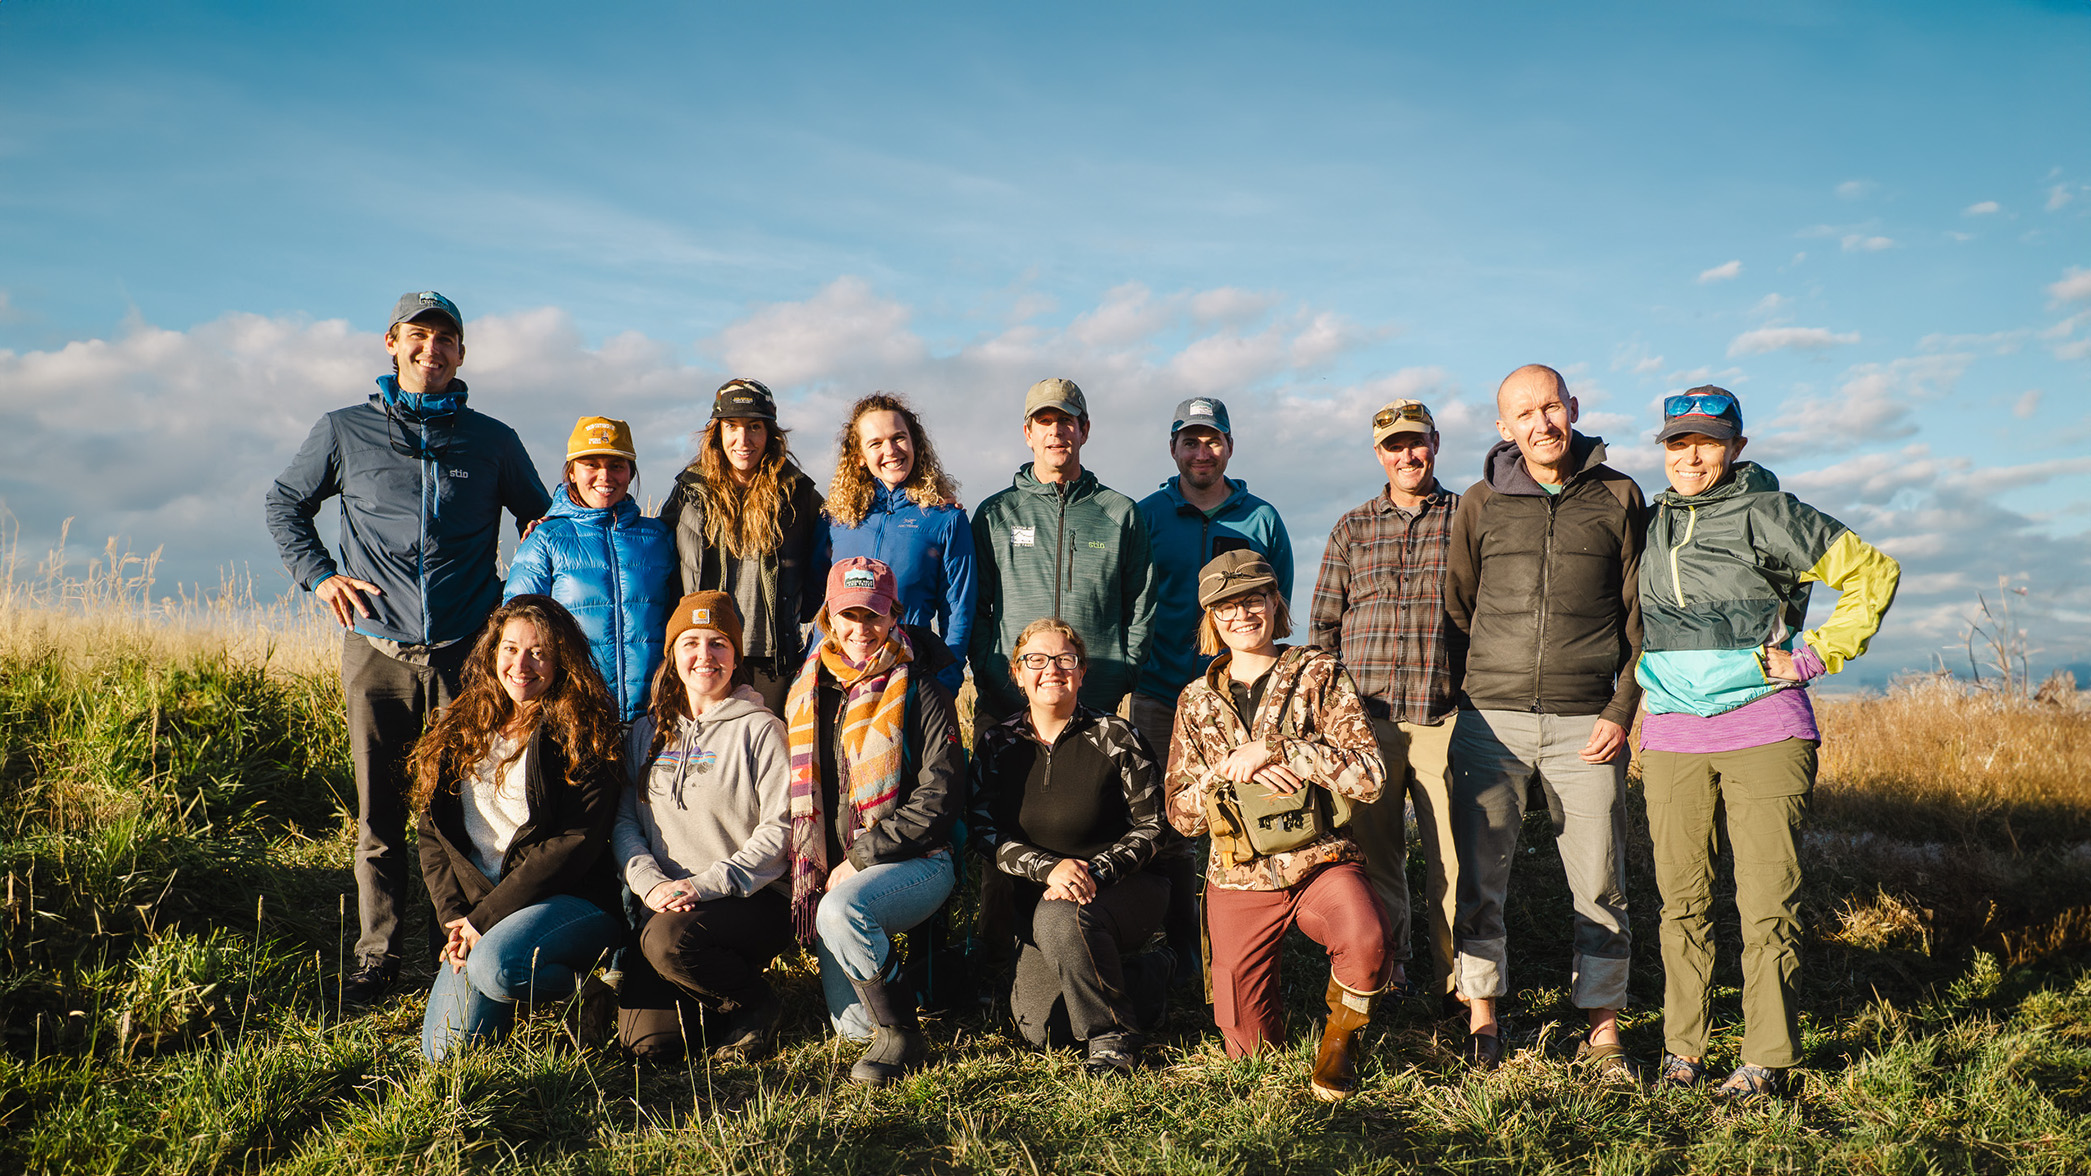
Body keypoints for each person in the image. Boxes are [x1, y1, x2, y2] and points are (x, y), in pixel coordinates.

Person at [265, 290, 550, 1005]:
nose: (432, 350)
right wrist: (321, 577)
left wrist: (514, 602)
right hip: (376, 650)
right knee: (380, 810)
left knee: (464, 807)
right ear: (391, 343)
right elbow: (284, 503)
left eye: (446, 338)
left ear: (462, 352)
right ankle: (378, 955)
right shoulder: (344, 431)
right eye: (418, 337)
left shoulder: (492, 440)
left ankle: (456, 944)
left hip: (468, 654)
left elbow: (540, 518)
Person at [1636, 388, 1899, 1100]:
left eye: (1707, 441)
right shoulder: (1649, 519)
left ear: (1736, 448)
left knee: (1764, 905)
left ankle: (1765, 1058)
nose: (1690, 456)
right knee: (1679, 904)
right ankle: (1681, 1049)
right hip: (1669, 733)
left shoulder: (1767, 511)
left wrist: (1814, 654)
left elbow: (1872, 572)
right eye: (1676, 442)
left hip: (1763, 728)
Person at [1444, 363, 1645, 1077]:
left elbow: (1637, 618)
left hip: (1586, 723)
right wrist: (1481, 687)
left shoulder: (1619, 495)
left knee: (1598, 881)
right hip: (1487, 725)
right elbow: (1458, 607)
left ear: (1573, 408)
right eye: (1523, 413)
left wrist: (1621, 709)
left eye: (1551, 406)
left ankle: (1601, 1025)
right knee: (1479, 879)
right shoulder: (1479, 503)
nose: (1541, 423)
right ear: (1503, 428)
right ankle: (1483, 1017)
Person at [1164, 550, 1389, 1102]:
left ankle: (1340, 1042)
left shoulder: (1319, 674)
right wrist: (1223, 771)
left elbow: (1370, 777)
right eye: (1225, 608)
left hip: (1318, 859)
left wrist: (1283, 750)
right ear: (1210, 621)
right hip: (1239, 874)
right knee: (1247, 1043)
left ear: (1274, 604)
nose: (1241, 616)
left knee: (1366, 940)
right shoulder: (1194, 701)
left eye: (1252, 601)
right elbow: (1180, 814)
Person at [409, 595, 624, 1061]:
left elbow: (575, 844)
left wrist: (483, 922)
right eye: (509, 649)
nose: (520, 664)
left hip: (567, 902)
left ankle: (589, 991)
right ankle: (535, 985)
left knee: (499, 965)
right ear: (492, 652)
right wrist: (455, 918)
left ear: (561, 658)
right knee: (446, 1057)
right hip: (476, 913)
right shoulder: (461, 725)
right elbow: (432, 833)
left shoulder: (585, 729)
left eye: (538, 652)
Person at [1131, 395, 1291, 993]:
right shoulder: (1147, 515)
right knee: (1171, 825)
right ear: (1174, 447)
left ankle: (1250, 955)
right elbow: (1132, 598)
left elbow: (1278, 606)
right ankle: (1181, 957)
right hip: (1159, 693)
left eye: (1213, 439)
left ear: (1230, 443)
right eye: (1190, 441)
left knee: (1250, 815)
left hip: (1239, 696)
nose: (1203, 451)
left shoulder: (1263, 518)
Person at [785, 556, 965, 1086]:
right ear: (828, 619)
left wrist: (862, 856)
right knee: (853, 1029)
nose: (860, 629)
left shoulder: (922, 690)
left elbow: (941, 798)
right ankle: (892, 1001)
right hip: (837, 866)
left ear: (894, 619)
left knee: (841, 910)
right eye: (848, 615)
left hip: (919, 862)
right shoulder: (808, 689)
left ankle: (904, 1033)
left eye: (873, 616)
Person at [1309, 398, 1460, 1016]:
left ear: (1435, 443)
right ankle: (1388, 970)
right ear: (1379, 454)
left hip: (1445, 715)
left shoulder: (1468, 518)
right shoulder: (1352, 527)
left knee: (1453, 859)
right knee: (1375, 857)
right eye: (1394, 446)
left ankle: (1457, 983)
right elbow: (1322, 627)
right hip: (1365, 722)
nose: (1407, 455)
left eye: (1416, 442)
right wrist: (1325, 712)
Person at [971, 618, 1171, 1075]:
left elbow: (1153, 827)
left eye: (1065, 659)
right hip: (1039, 896)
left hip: (1125, 890)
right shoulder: (995, 743)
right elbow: (982, 830)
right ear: (1017, 674)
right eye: (1036, 660)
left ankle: (1111, 1038)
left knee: (1062, 915)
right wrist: (1049, 869)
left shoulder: (1117, 736)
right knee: (1040, 1029)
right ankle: (1147, 978)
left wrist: (1089, 872)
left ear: (1082, 673)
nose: (1052, 669)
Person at [611, 592, 795, 1062]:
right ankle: (708, 1003)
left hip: (747, 899)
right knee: (650, 1049)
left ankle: (755, 1002)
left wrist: (703, 885)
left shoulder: (762, 729)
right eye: (690, 642)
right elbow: (627, 820)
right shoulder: (646, 732)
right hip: (666, 903)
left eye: (718, 644)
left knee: (668, 943)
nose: (704, 656)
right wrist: (650, 885)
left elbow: (780, 830)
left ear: (735, 657)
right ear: (673, 655)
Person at [968, 377, 1156, 735]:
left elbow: (1141, 604)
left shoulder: (1120, 513)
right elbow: (976, 606)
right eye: (1044, 421)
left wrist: (1122, 672)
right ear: (1028, 433)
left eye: (1066, 421)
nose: (1056, 431)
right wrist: (990, 672)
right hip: (1007, 704)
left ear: (1084, 430)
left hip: (1095, 704)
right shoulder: (996, 513)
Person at [660, 378, 826, 714]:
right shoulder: (690, 493)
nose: (743, 439)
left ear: (770, 435)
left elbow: (830, 550)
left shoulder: (798, 494)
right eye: (732, 426)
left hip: (770, 656)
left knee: (768, 750)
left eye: (754, 426)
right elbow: (654, 552)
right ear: (717, 433)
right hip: (706, 653)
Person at [505, 416, 679, 724]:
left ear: (630, 472)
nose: (604, 475)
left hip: (652, 718)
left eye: (616, 465)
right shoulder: (546, 539)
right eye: (591, 464)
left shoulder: (659, 537)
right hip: (575, 718)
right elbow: (515, 631)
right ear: (571, 471)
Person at [820, 393, 976, 695]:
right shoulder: (836, 520)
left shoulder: (945, 520)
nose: (890, 450)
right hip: (837, 679)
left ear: (914, 442)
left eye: (898, 438)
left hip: (909, 676)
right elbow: (819, 601)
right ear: (860, 457)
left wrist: (946, 681)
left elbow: (958, 611)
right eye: (875, 443)